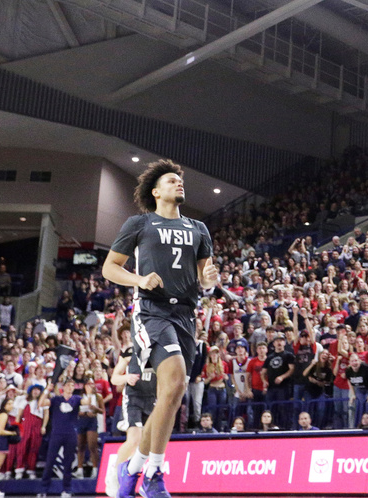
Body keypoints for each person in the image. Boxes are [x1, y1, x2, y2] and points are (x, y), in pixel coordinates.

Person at [103, 159, 218, 498]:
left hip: (187, 315)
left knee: (172, 392)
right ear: (156, 191)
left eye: (179, 180)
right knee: (176, 381)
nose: (179, 183)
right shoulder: (140, 223)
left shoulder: (199, 228)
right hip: (153, 312)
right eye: (171, 180)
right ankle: (153, 472)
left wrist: (210, 281)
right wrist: (139, 278)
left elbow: (205, 277)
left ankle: (133, 467)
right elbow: (111, 267)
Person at [110, 346, 156, 498]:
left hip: (152, 398)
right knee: (134, 439)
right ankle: (114, 476)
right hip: (133, 398)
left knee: (148, 444)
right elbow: (114, 377)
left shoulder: (160, 348)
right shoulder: (130, 351)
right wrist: (126, 378)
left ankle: (142, 480)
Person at [39, 379, 82, 498]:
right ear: (63, 387)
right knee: (50, 460)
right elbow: (41, 403)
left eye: (72, 385)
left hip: (70, 434)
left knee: (68, 462)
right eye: (68, 385)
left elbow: (87, 402)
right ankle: (43, 489)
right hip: (57, 433)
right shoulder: (56, 399)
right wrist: (47, 389)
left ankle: (67, 489)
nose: (70, 387)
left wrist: (90, 392)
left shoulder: (77, 399)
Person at [76, 377, 103, 478]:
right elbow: (76, 409)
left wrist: (95, 409)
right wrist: (80, 412)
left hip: (92, 421)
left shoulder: (98, 396)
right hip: (82, 420)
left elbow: (102, 410)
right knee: (80, 446)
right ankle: (79, 469)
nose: (90, 386)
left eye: (92, 384)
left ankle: (95, 469)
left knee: (92, 446)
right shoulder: (80, 396)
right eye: (88, 384)